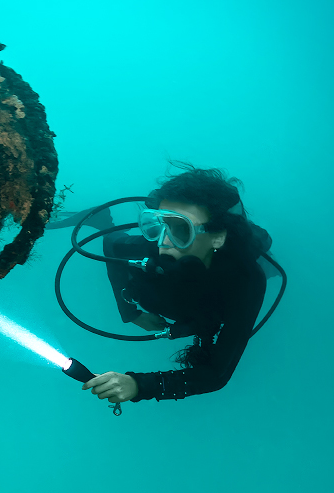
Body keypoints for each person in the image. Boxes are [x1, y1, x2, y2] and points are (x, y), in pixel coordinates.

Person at [68, 166, 273, 406]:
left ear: (216, 235)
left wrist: (138, 386)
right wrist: (130, 312)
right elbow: (112, 243)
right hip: (168, 298)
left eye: (180, 228)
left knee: (261, 250)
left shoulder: (247, 281)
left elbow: (216, 374)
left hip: (212, 293)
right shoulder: (150, 247)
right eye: (158, 224)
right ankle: (104, 219)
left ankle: (255, 238)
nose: (163, 242)